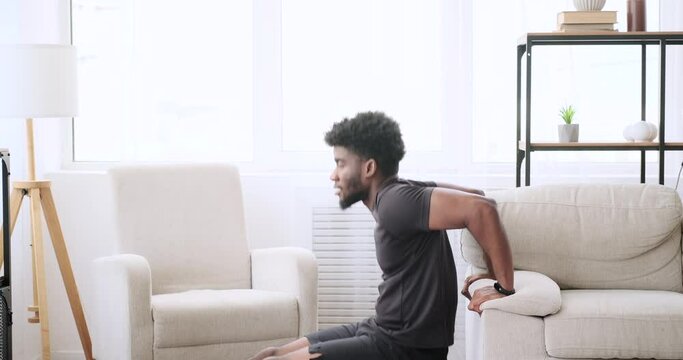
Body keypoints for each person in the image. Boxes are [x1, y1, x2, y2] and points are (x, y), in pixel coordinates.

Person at [249, 111, 514, 360]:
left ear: (368, 168)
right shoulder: (401, 192)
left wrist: (503, 286)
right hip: (381, 329)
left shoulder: (396, 201)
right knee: (274, 354)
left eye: (340, 164)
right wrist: (489, 272)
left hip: (403, 348)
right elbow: (477, 197)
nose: (333, 175)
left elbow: (482, 208)